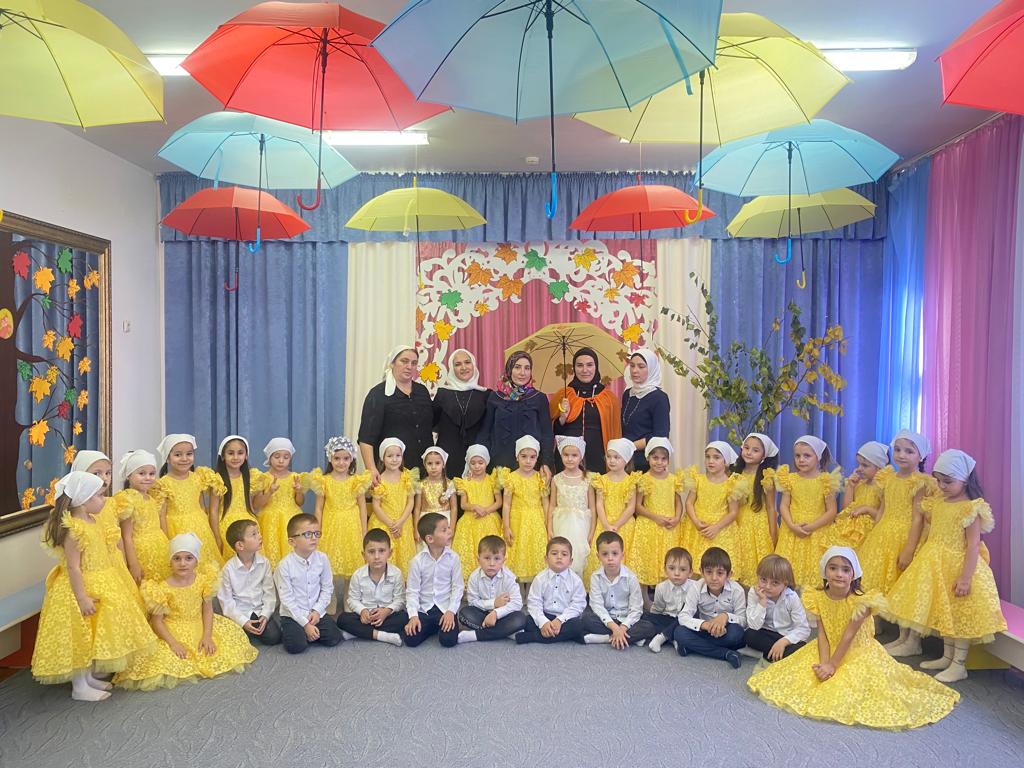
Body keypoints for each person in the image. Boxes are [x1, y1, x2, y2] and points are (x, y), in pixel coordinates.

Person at [747, 547, 959, 729]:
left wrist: (832, 665)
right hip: (828, 648)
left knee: (859, 691)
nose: (839, 574)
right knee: (799, 679)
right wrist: (823, 661)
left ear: (854, 574)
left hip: (857, 651)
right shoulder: (818, 597)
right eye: (833, 568)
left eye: (845, 569)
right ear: (824, 571)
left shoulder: (861, 603)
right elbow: (823, 633)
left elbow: (848, 636)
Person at [883, 450, 1007, 680]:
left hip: (959, 565)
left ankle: (958, 664)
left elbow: (973, 545)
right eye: (939, 480)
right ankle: (947, 657)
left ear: (965, 479)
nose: (941, 486)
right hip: (935, 563)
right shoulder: (938, 502)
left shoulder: (970, 508)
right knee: (946, 612)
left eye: (948, 482)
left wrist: (966, 578)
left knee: (958, 616)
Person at [31, 472, 155, 701]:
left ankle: (88, 678)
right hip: (80, 588)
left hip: (101, 581)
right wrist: (81, 598)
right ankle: (79, 686)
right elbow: (73, 567)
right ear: (83, 500)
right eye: (99, 496)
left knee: (93, 634)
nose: (103, 500)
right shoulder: (75, 529)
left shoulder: (93, 521)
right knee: (80, 636)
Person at [114, 532, 257, 690]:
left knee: (222, 648)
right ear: (170, 562)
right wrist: (173, 644)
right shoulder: (161, 589)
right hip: (173, 630)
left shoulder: (204, 581)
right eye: (177, 558)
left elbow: (207, 611)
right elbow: (157, 622)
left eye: (188, 558)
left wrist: (207, 636)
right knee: (164, 660)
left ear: (196, 561)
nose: (182, 563)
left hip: (200, 625)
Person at [774, 436, 841, 588]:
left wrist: (810, 527)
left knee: (813, 569)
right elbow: (784, 505)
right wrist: (791, 525)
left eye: (807, 456)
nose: (801, 460)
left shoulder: (826, 481)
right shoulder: (790, 479)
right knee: (788, 569)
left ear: (818, 457)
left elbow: (831, 511)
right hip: (792, 530)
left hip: (817, 531)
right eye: (797, 456)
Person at [359, 345, 434, 480]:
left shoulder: (422, 391)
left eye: (414, 363)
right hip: (391, 472)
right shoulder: (378, 394)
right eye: (404, 361)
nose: (409, 366)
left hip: (425, 470)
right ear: (392, 363)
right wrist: (371, 469)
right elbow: (366, 438)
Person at [72, 450, 141, 599]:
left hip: (115, 564)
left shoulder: (113, 503)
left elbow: (118, 538)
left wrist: (125, 564)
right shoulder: (77, 511)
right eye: (97, 473)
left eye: (108, 473)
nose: (104, 478)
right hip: (91, 569)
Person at [274, 513, 343, 654]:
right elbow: (287, 599)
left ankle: (310, 633)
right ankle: (294, 630)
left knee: (334, 638)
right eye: (307, 534)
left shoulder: (322, 558)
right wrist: (305, 624)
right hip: (293, 614)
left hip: (315, 612)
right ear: (292, 541)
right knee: (296, 647)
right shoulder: (284, 565)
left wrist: (317, 611)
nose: (314, 538)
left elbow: (327, 588)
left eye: (317, 533)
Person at [306, 436, 372, 582]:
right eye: (337, 458)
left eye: (345, 458)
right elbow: (318, 508)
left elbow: (362, 507)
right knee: (329, 562)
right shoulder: (323, 481)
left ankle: (351, 593)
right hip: (331, 525)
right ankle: (331, 594)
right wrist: (317, 530)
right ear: (330, 458)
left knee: (352, 562)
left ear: (351, 459)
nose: (341, 463)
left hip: (352, 526)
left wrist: (364, 531)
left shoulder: (357, 481)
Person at [477, 351, 553, 472]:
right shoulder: (495, 397)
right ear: (509, 369)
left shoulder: (539, 398)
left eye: (527, 368)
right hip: (499, 466)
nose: (522, 373)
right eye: (517, 367)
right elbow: (485, 433)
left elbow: (547, 434)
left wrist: (546, 463)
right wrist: (479, 459)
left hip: (531, 466)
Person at [154, 434, 223, 567]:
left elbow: (201, 506)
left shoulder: (197, 478)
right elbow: (161, 515)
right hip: (177, 529)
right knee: (184, 564)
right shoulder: (163, 484)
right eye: (178, 455)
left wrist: (209, 529)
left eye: (189, 454)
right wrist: (166, 540)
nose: (184, 459)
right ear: (167, 458)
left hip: (201, 527)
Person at [581, 531, 659, 648]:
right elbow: (597, 606)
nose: (610, 558)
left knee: (649, 627)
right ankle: (629, 638)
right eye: (605, 554)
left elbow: (636, 608)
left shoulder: (631, 577)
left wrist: (622, 627)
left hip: (626, 619)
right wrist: (614, 627)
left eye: (615, 554)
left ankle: (607, 638)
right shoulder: (595, 577)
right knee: (585, 619)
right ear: (598, 556)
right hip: (607, 620)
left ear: (622, 555)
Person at [680, 441, 745, 580]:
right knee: (696, 564)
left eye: (716, 457)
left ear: (725, 461)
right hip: (698, 528)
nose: (711, 461)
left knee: (717, 565)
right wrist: (696, 521)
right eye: (708, 457)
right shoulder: (698, 479)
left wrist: (716, 527)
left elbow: (733, 512)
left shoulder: (731, 483)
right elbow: (689, 503)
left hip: (720, 530)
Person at [673, 546, 747, 668]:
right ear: (701, 572)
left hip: (725, 632)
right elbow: (683, 616)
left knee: (737, 634)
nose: (714, 578)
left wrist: (725, 616)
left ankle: (693, 648)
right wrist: (705, 625)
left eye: (720, 573)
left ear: (729, 575)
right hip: (704, 630)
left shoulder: (737, 590)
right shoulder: (696, 587)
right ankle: (726, 653)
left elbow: (744, 621)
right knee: (679, 632)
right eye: (708, 572)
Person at [550, 347, 621, 473]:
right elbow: (552, 431)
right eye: (579, 365)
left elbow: (615, 432)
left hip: (597, 458)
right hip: (567, 460)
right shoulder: (564, 395)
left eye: (589, 365)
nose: (584, 370)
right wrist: (562, 418)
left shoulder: (608, 398)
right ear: (574, 368)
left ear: (596, 367)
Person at [627, 438, 682, 592]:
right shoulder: (644, 479)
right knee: (646, 561)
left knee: (667, 561)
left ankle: (667, 598)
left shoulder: (673, 479)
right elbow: (638, 506)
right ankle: (645, 599)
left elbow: (678, 502)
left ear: (668, 460)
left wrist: (677, 518)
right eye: (655, 458)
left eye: (663, 459)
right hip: (648, 526)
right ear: (648, 458)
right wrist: (656, 518)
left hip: (669, 528)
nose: (659, 462)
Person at [337, 529, 408, 647]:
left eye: (382, 551)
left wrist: (386, 611)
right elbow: (352, 599)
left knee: (404, 617)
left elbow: (400, 600)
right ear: (363, 555)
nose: (376, 556)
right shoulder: (358, 575)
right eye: (371, 552)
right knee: (342, 619)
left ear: (390, 553)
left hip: (387, 615)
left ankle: (359, 633)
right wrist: (362, 611)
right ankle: (381, 635)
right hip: (365, 617)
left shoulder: (396, 573)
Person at [217, 519, 281, 647]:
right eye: (254, 534)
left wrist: (265, 615)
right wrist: (243, 621)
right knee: (235, 642)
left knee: (274, 637)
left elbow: (269, 593)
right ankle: (246, 630)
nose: (260, 536)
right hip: (240, 612)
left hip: (259, 611)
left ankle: (256, 629)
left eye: (258, 532)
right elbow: (227, 601)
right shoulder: (228, 569)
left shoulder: (264, 563)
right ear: (240, 545)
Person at [403, 513, 463, 648]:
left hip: (445, 608)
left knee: (448, 641)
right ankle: (432, 627)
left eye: (448, 528)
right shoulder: (417, 561)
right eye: (444, 530)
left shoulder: (454, 558)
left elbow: (458, 587)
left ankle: (438, 626)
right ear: (430, 538)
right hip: (424, 609)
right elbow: (412, 591)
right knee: (410, 640)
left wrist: (451, 611)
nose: (450, 532)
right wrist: (413, 616)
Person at [583, 438, 638, 586]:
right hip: (604, 523)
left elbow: (631, 507)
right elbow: (599, 504)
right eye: (609, 456)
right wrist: (607, 525)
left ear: (626, 460)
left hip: (624, 525)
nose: (612, 460)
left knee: (623, 557)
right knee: (602, 556)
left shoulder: (631, 481)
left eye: (616, 457)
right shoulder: (601, 480)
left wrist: (617, 525)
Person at [515, 537, 586, 645]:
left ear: (570, 561)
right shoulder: (540, 578)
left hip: (566, 618)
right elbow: (534, 603)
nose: (559, 557)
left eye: (564, 554)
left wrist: (560, 620)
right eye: (554, 553)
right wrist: (543, 622)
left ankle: (534, 637)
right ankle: (563, 636)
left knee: (578, 625)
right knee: (527, 621)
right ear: (546, 559)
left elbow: (578, 605)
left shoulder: (576, 581)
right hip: (545, 615)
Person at [730, 433, 779, 587]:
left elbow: (771, 507)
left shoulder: (766, 476)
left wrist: (772, 533)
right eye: (746, 448)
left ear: (764, 455)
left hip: (759, 525)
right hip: (737, 522)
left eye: (755, 450)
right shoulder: (734, 474)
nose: (749, 452)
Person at [457, 535, 526, 644]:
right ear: (478, 559)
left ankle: (476, 635)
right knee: (464, 613)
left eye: (497, 558)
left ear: (503, 560)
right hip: (482, 614)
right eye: (487, 558)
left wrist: (496, 613)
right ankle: (506, 632)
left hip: (503, 615)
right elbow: (472, 602)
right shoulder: (474, 577)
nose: (492, 564)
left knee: (520, 618)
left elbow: (517, 603)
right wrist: (493, 603)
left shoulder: (509, 577)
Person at [433, 348, 491, 479]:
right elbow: (432, 422)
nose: (463, 367)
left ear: (473, 365)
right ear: (452, 368)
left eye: (467, 362)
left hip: (477, 459)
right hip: (447, 456)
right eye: (458, 364)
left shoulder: (486, 395)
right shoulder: (442, 394)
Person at [114, 450, 169, 583]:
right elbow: (126, 536)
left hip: (161, 551)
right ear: (129, 475)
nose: (148, 478)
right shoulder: (127, 500)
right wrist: (133, 564)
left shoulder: (152, 499)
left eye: (152, 474)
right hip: (141, 555)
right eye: (142, 473)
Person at [500, 436, 550, 584]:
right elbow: (506, 504)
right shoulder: (510, 478)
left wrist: (548, 525)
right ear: (517, 457)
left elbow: (546, 503)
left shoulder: (540, 478)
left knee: (535, 552)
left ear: (537, 458)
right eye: (524, 456)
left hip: (536, 521)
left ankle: (534, 589)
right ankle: (518, 589)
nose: (528, 461)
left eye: (532, 457)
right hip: (517, 522)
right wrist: (506, 526)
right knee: (518, 552)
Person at [451, 445, 503, 581]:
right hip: (470, 521)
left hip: (490, 520)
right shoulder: (465, 482)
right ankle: (471, 583)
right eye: (473, 463)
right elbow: (463, 504)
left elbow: (499, 502)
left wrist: (486, 510)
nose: (477, 466)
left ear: (486, 462)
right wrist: (474, 507)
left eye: (480, 463)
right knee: (470, 552)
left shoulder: (492, 480)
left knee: (490, 550)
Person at [744, 555, 810, 662]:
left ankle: (771, 654)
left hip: (786, 634)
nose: (767, 586)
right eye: (763, 580)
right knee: (749, 635)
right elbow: (754, 626)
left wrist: (783, 642)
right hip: (764, 632)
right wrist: (762, 602)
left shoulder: (791, 597)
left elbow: (803, 629)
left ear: (785, 584)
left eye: (775, 582)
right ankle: (779, 655)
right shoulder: (754, 593)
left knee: (802, 646)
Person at [252, 437, 304, 568]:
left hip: (291, 519)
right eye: (277, 456)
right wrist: (269, 492)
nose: (281, 461)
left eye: (286, 457)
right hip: (270, 521)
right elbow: (256, 504)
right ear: (269, 457)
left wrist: (299, 491)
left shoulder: (295, 477)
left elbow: (300, 502)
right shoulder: (263, 478)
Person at [548, 436, 595, 578]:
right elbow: (552, 505)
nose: (570, 459)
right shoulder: (556, 479)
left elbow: (592, 508)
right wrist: (549, 528)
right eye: (566, 455)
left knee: (579, 557)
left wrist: (591, 532)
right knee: (560, 555)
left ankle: (577, 588)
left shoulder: (588, 479)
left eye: (574, 455)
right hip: (561, 523)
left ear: (581, 456)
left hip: (582, 526)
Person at [369, 437, 417, 571]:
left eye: (398, 455)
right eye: (390, 456)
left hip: (403, 523)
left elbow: (410, 501)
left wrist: (400, 522)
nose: (394, 459)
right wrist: (391, 524)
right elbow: (376, 506)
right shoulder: (379, 480)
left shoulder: (407, 477)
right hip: (384, 523)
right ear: (383, 458)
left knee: (403, 559)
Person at [210, 435, 260, 562]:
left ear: (246, 455)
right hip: (226, 525)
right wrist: (217, 536)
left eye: (240, 453)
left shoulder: (250, 477)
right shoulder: (217, 479)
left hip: (248, 523)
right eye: (231, 453)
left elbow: (250, 505)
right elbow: (213, 510)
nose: (236, 457)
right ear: (223, 456)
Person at [830, 441, 888, 548]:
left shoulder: (883, 488)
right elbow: (847, 509)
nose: (860, 468)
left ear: (879, 467)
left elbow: (884, 517)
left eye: (865, 465)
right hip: (850, 530)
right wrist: (850, 486)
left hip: (870, 533)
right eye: (859, 464)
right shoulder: (859, 484)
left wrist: (867, 509)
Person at [619, 349, 670, 472]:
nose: (635, 370)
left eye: (641, 366)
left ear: (651, 369)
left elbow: (660, 435)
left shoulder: (659, 397)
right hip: (625, 459)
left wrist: (631, 446)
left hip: (647, 461)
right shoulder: (628, 394)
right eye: (632, 366)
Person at [646, 547, 697, 653]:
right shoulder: (661, 587)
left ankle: (662, 637)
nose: (677, 573)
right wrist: (653, 619)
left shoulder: (695, 587)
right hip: (668, 619)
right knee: (645, 617)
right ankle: (674, 638)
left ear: (690, 572)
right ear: (665, 569)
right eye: (672, 568)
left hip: (686, 620)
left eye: (682, 569)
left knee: (691, 620)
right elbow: (657, 609)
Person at [416, 446, 456, 534]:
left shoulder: (450, 484)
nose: (433, 467)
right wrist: (416, 529)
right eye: (429, 463)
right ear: (425, 465)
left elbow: (454, 508)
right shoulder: (420, 484)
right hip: (425, 522)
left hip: (445, 522)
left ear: (443, 464)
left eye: (437, 463)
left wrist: (452, 529)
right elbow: (417, 508)